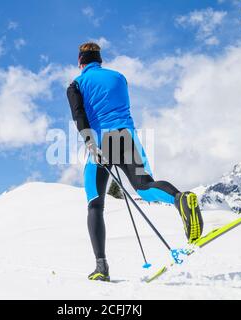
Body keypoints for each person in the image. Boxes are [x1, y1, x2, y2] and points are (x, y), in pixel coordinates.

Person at [67, 42, 203, 282]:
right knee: (144, 186)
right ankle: (180, 199)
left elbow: (79, 115)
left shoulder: (76, 84)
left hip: (100, 143)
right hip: (128, 138)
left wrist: (90, 144)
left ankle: (101, 267)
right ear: (100, 59)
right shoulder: (120, 78)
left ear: (80, 62)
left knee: (95, 204)